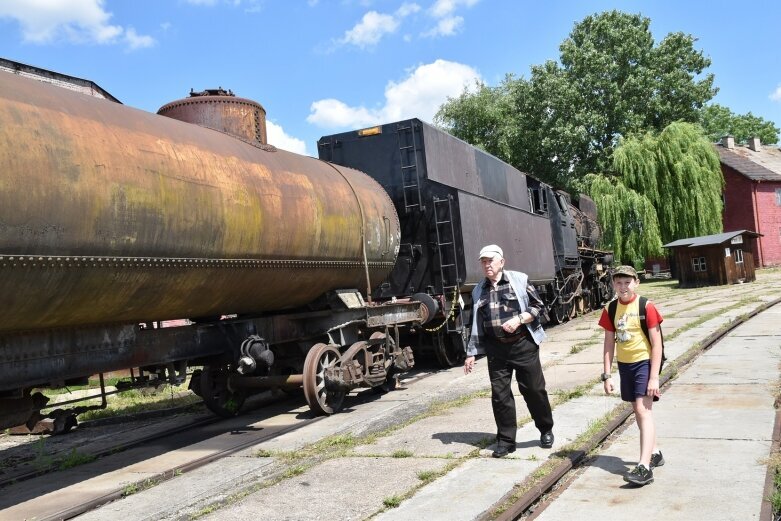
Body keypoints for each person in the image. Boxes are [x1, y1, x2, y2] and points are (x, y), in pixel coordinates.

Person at [463, 244, 554, 458]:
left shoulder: (519, 280)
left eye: (490, 261)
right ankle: (506, 441)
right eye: (483, 262)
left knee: (533, 389)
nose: (487, 265)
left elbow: (539, 306)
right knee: (500, 396)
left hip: (523, 344)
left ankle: (545, 428)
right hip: (496, 350)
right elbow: (475, 324)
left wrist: (519, 319)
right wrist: (471, 353)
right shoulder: (479, 290)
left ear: (501, 262)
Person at [597, 265, 665, 486]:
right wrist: (607, 375)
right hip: (625, 366)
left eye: (627, 282)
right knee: (637, 409)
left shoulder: (646, 306)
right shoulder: (610, 309)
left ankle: (644, 467)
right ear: (613, 285)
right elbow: (609, 343)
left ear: (636, 282)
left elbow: (657, 344)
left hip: (644, 364)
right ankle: (655, 452)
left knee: (643, 410)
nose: (623, 286)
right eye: (618, 282)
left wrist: (654, 377)